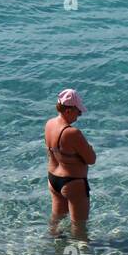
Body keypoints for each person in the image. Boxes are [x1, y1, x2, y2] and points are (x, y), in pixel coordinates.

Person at [44, 88, 95, 238]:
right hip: (73, 182)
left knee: (56, 222)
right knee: (79, 228)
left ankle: (54, 253)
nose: (79, 115)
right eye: (78, 111)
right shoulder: (72, 133)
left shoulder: (49, 124)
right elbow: (91, 159)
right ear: (68, 111)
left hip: (53, 179)